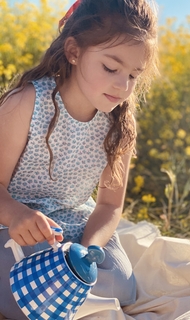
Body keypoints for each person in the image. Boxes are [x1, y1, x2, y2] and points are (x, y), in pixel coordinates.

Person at [0, 0, 158, 318]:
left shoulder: (120, 125)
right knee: (27, 289)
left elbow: (110, 205)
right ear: (73, 51)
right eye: (111, 68)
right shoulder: (27, 103)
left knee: (122, 286)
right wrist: (17, 215)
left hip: (74, 227)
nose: (123, 85)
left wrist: (88, 249)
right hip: (16, 227)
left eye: (133, 75)